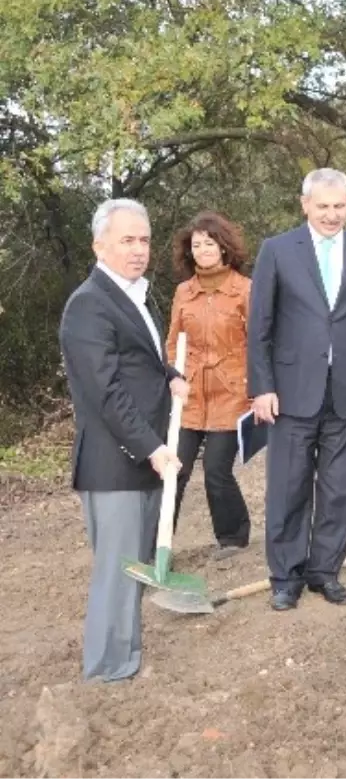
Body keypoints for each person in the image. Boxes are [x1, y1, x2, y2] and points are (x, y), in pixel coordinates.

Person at [247, 168, 346, 611]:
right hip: (291, 390)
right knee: (289, 485)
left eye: (340, 206)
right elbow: (260, 328)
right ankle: (286, 577)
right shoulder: (277, 251)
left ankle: (325, 570)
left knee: (340, 487)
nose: (332, 215)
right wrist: (262, 387)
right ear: (305, 204)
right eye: (323, 206)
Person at [59, 198, 188, 681]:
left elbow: (140, 362)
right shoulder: (89, 305)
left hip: (144, 457)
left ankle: (126, 658)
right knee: (117, 572)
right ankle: (108, 670)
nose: (139, 250)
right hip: (117, 462)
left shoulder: (135, 295)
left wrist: (170, 374)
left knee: (134, 568)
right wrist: (152, 448)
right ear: (99, 245)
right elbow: (105, 391)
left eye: (144, 240)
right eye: (127, 240)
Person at [165, 211, 253, 560]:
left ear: (224, 247)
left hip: (231, 393)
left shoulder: (245, 290)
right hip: (189, 395)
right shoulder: (183, 293)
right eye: (196, 245)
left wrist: (254, 388)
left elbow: (258, 344)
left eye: (209, 243)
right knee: (176, 468)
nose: (202, 250)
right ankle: (158, 540)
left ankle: (233, 537)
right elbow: (173, 342)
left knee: (217, 470)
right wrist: (174, 376)